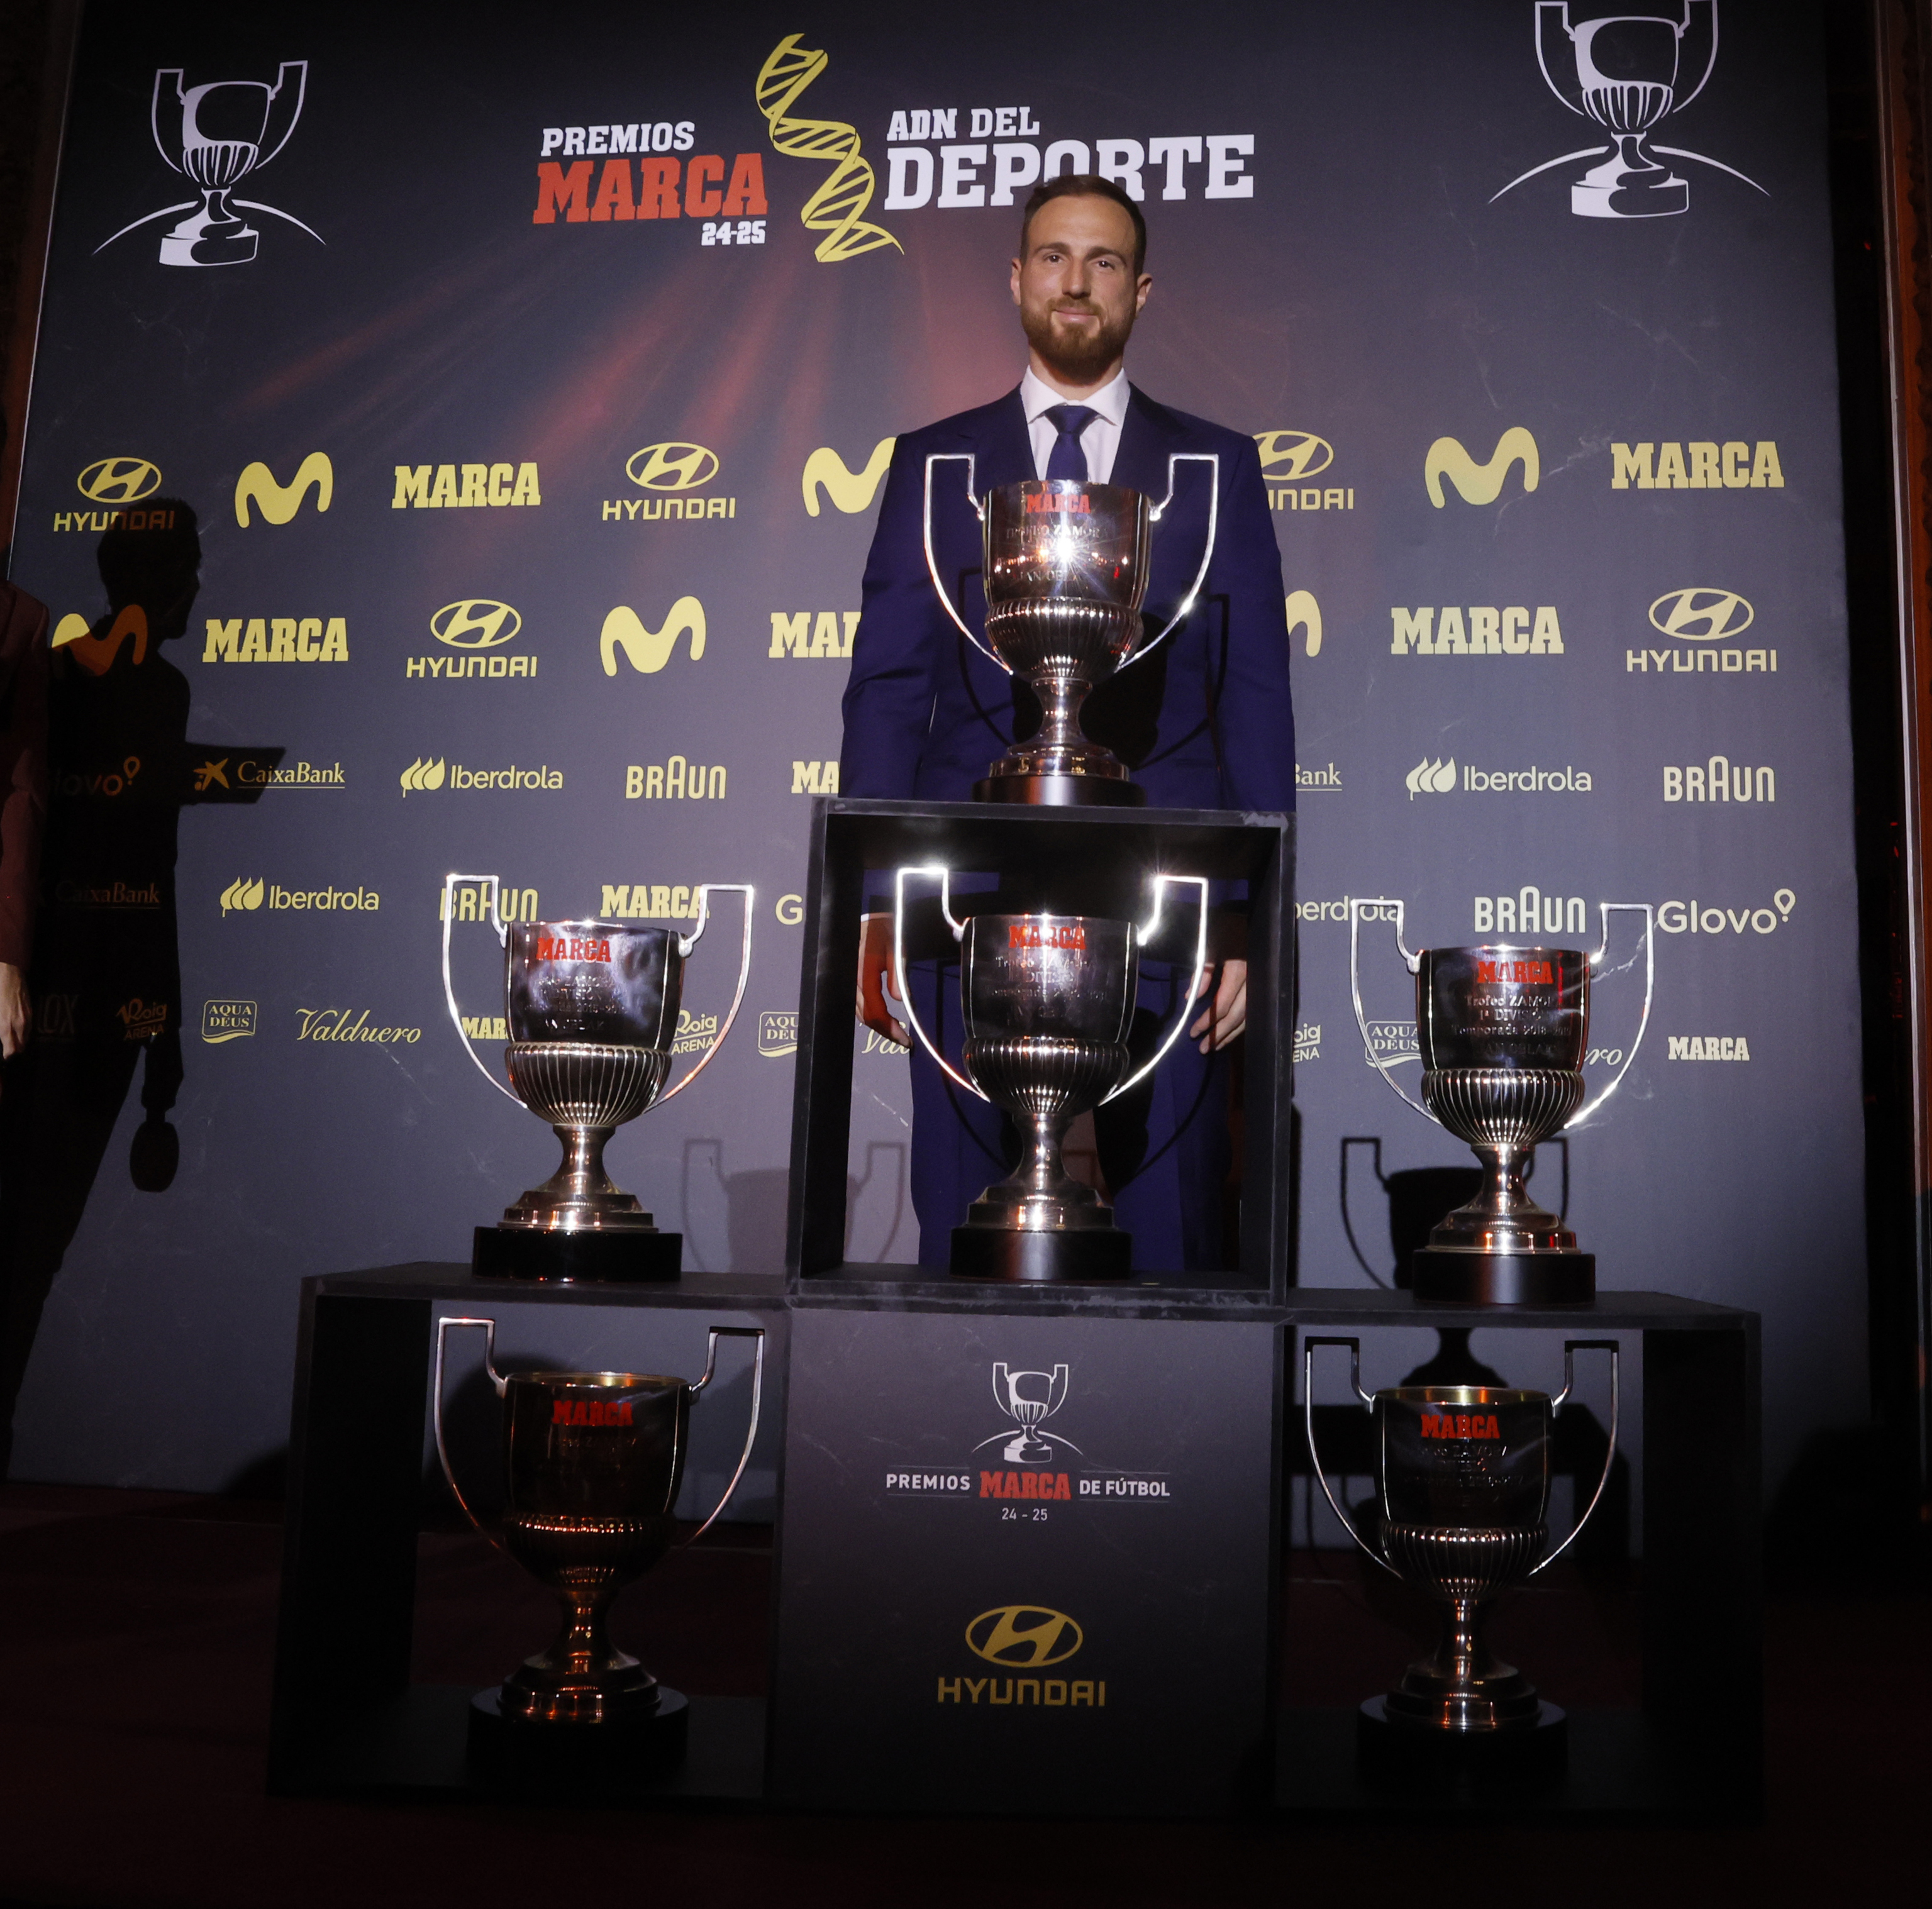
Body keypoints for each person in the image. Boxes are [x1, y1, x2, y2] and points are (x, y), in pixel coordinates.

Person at [838, 175, 1295, 1271]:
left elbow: (1255, 697)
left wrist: (1248, 914)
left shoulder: (1216, 470)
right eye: (1052, 256)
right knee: (958, 1200)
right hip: (964, 886)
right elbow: (892, 690)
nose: (1075, 282)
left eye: (1101, 262)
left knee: (1178, 1201)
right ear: (1016, 277)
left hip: (1166, 887)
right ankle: (951, 1428)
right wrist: (873, 906)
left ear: (1140, 291)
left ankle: (1169, 1431)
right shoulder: (934, 464)